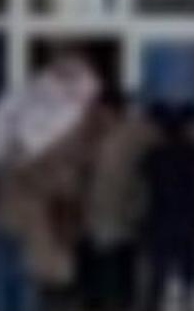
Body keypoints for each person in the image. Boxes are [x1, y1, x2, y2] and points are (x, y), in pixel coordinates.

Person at [0, 50, 97, 311]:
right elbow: (56, 182)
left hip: (1, 213)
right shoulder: (52, 128)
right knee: (22, 280)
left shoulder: (14, 110)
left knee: (0, 278)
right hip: (28, 219)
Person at [79, 89, 148, 311]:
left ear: (110, 110)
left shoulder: (127, 137)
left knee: (113, 276)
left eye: (100, 110)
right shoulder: (105, 137)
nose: (97, 114)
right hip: (107, 219)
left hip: (115, 218)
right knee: (111, 276)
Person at [140, 103, 194, 311]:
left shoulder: (153, 156)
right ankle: (187, 302)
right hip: (187, 221)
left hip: (160, 220)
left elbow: (144, 188)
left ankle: (155, 303)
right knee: (188, 274)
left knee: (158, 276)